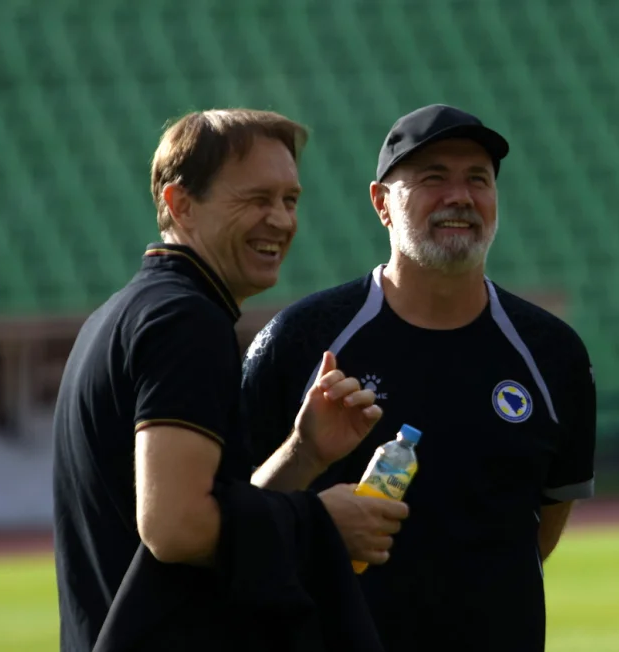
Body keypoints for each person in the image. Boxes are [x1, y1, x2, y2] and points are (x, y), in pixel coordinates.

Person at [239, 103, 597, 652]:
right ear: (382, 203)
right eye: (433, 178)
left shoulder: (552, 351)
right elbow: (238, 513)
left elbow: (542, 522)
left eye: (477, 179)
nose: (460, 196)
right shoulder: (302, 339)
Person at [51, 109, 406, 652]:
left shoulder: (129, 311)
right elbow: (175, 528)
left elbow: (208, 527)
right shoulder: (184, 321)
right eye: (256, 199)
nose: (282, 220)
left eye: (290, 200)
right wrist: (319, 523)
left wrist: (303, 453)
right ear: (180, 204)